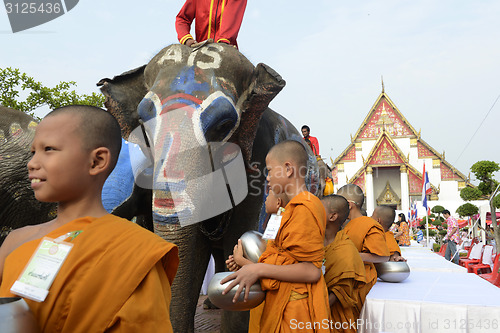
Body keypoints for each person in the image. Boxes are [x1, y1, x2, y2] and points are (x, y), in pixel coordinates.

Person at [0, 106, 179, 332]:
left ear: (97, 161)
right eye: (33, 152)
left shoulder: (135, 250)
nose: (32, 163)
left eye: (48, 149)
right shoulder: (15, 241)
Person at [221, 140, 331, 332]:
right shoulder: (291, 210)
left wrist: (256, 270)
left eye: (270, 171)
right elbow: (282, 262)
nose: (268, 179)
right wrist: (246, 265)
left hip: (295, 310)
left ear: (288, 169)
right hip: (282, 303)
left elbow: (311, 271)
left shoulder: (305, 208)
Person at [226, 188, 289, 333]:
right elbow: (263, 262)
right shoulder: (272, 224)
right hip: (263, 301)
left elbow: (275, 273)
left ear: (278, 202)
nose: (265, 199)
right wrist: (240, 265)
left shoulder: (287, 229)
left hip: (279, 302)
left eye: (269, 194)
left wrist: (241, 261)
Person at [337, 184, 389, 308]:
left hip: (361, 281)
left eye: (339, 203)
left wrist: (353, 256)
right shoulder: (346, 225)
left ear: (349, 205)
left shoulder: (368, 224)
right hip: (344, 278)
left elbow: (383, 256)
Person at [322, 194, 366, 332]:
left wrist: (312, 312)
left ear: (332, 216)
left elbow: (339, 292)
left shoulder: (345, 250)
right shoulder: (312, 240)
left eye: (318, 209)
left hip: (331, 317)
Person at [175, 0, 247, 47]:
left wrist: (224, 41)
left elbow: (231, 17)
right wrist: (187, 39)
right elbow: (182, 19)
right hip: (199, 51)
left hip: (227, 52)